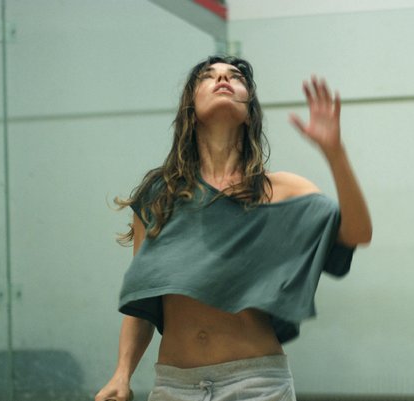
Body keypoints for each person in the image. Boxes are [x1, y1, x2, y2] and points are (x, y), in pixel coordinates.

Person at [95, 55, 372, 401]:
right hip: (174, 387)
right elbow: (144, 297)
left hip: (256, 385)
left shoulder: (280, 190)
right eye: (208, 76)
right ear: (190, 108)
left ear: (250, 111)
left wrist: (335, 153)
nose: (223, 79)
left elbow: (358, 233)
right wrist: (122, 374)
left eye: (236, 77)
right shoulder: (158, 196)